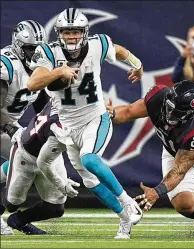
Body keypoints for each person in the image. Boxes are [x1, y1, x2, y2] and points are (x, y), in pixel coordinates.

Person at [27, 8, 144, 239]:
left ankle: (128, 202)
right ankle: (124, 220)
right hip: (68, 127)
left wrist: (137, 65)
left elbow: (120, 51)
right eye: (66, 31)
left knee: (89, 159)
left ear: (85, 32)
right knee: (90, 182)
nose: (71, 36)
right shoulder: (49, 53)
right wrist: (60, 70)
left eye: (76, 31)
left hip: (95, 118)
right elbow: (33, 83)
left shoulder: (98, 45)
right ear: (59, 33)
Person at [106, 80, 194, 238]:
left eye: (177, 112)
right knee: (184, 205)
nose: (169, 114)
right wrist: (111, 113)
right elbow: (127, 111)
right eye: (169, 107)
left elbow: (179, 171)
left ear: (191, 114)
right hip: (174, 152)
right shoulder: (158, 97)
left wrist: (156, 192)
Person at [0, 20, 49, 235]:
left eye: (38, 48)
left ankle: (17, 218)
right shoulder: (7, 64)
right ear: (18, 45)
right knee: (23, 160)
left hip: (8, 124)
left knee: (33, 160)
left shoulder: (39, 67)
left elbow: (42, 105)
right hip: (3, 123)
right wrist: (11, 129)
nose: (35, 53)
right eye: (30, 48)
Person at [3, 101, 80, 235]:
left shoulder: (60, 101)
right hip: (26, 155)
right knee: (12, 204)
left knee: (55, 208)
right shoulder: (60, 124)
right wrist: (62, 184)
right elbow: (43, 163)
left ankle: (19, 220)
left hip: (50, 155)